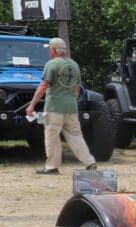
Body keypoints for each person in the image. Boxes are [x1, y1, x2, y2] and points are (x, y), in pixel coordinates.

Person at [25, 37, 97, 175]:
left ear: (53, 50)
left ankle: (52, 166)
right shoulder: (74, 65)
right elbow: (76, 88)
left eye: (49, 49)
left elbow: (43, 86)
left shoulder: (51, 64)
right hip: (71, 107)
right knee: (75, 135)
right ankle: (90, 162)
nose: (49, 51)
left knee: (52, 135)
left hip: (54, 107)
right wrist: (72, 102)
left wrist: (32, 105)